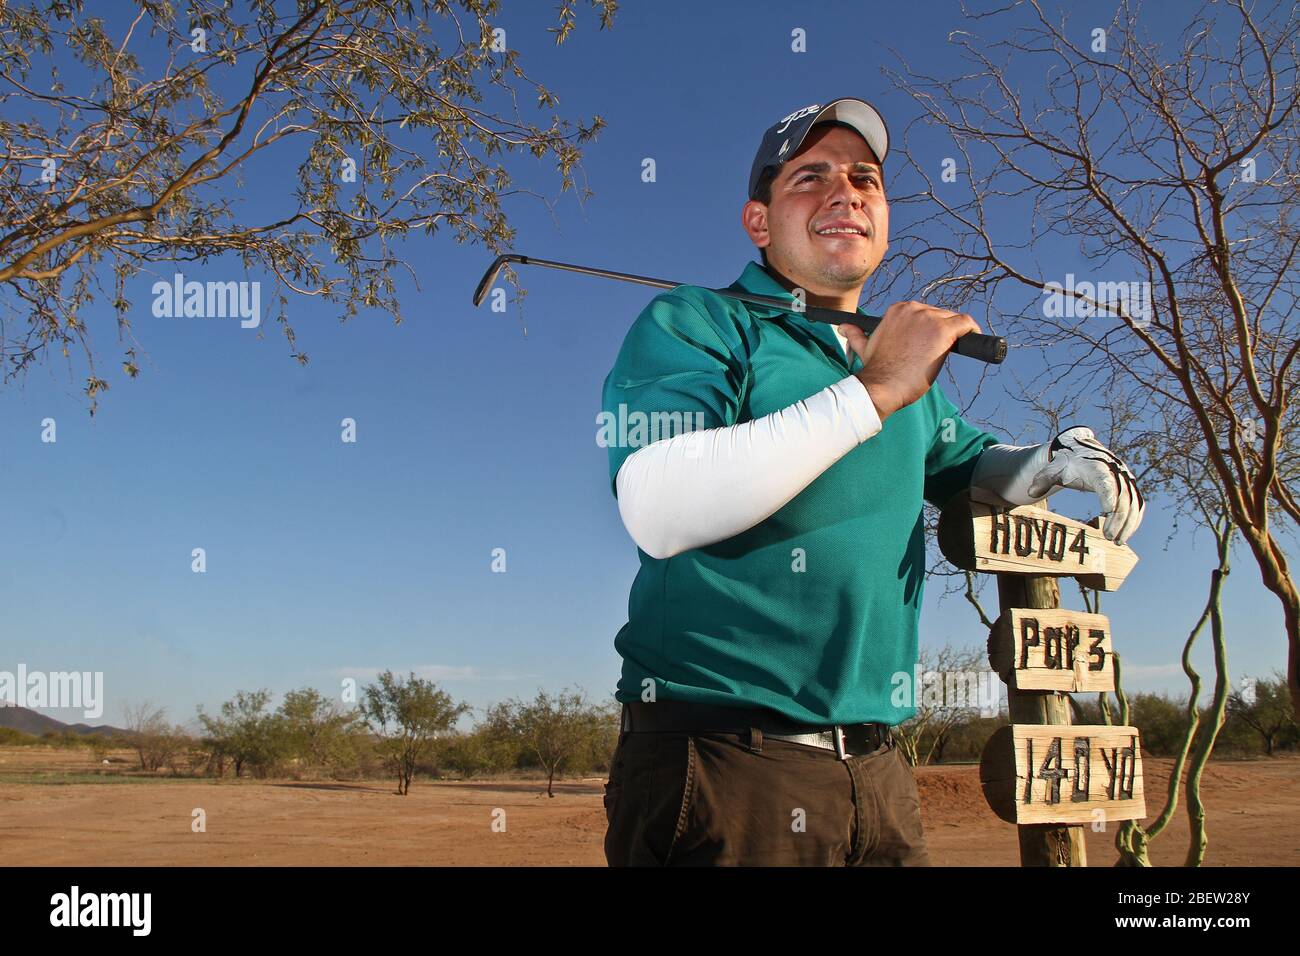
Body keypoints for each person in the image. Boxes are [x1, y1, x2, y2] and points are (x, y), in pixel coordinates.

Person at [599, 97, 1144, 866]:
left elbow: (972, 467)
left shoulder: (891, 364)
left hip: (880, 772)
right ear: (759, 222)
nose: (845, 191)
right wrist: (879, 386)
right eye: (809, 177)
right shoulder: (699, 323)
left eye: (865, 178)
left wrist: (1049, 458)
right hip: (723, 765)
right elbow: (657, 506)